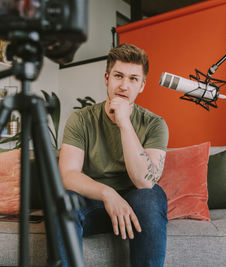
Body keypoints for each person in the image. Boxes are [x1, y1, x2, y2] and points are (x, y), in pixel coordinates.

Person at [58, 43, 169, 267]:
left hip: (137, 204)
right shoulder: (80, 120)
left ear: (143, 85)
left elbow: (144, 181)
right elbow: (68, 175)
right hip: (94, 203)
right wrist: (108, 194)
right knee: (64, 202)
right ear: (107, 78)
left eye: (133, 79)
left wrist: (124, 123)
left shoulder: (155, 124)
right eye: (118, 76)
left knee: (149, 197)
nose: (124, 86)